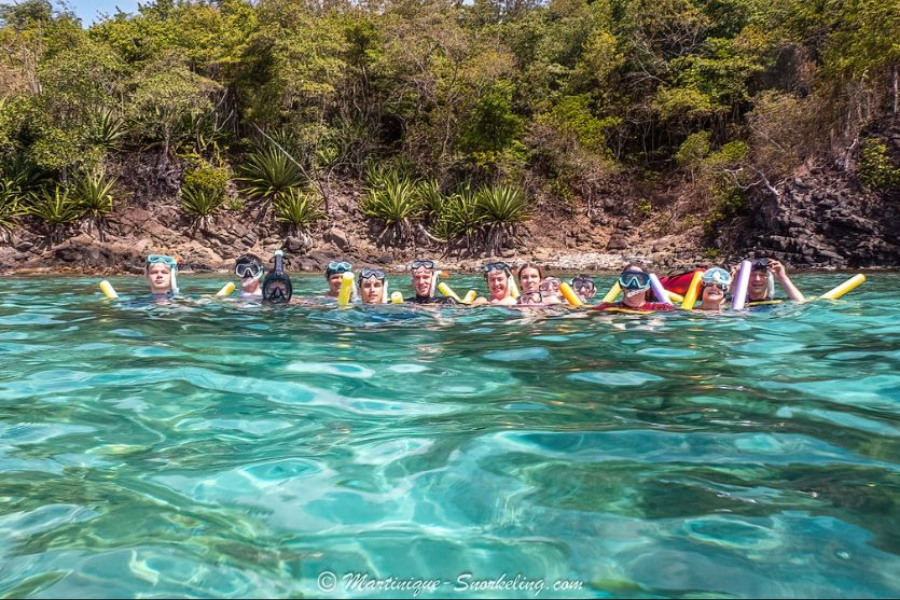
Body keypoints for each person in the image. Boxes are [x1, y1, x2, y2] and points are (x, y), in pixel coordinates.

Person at [591, 264, 675, 313]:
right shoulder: (605, 308)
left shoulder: (663, 308)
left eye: (640, 280)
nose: (634, 284)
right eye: (628, 279)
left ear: (648, 285)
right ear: (621, 284)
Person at [734, 258, 805, 304]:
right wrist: (735, 277)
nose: (757, 279)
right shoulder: (734, 302)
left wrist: (782, 277)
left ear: (769, 279)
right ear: (745, 279)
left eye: (762, 275)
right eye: (752, 275)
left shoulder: (776, 301)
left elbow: (801, 302)